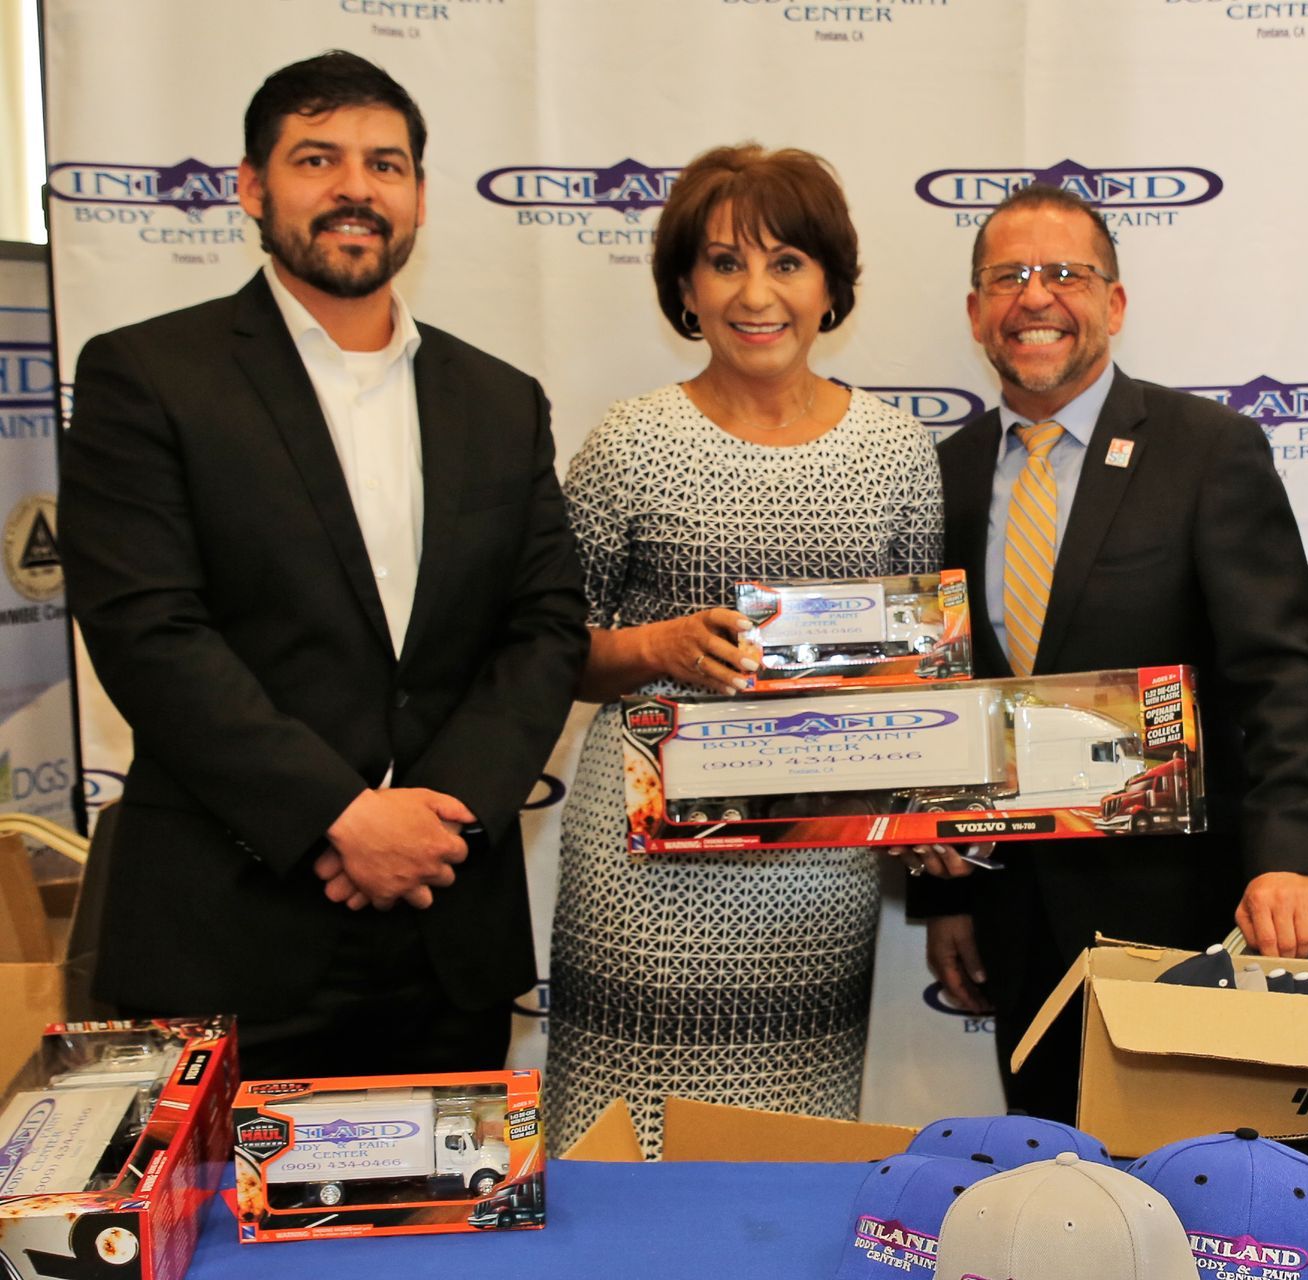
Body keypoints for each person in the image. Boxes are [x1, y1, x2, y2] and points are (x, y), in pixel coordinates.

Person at [60, 51, 587, 1078]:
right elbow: (149, 631)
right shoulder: (147, 375)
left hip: (446, 934)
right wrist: (341, 818)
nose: (356, 186)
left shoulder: (498, 397)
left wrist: (439, 819)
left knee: (444, 1239)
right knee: (217, 1241)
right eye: (318, 158)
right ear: (253, 186)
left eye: (385, 163)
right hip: (229, 930)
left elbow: (546, 625)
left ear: (421, 196)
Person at [545, 144, 942, 1155]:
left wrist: (938, 800)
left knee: (791, 1148)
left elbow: (924, 675)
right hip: (645, 858)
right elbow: (550, 651)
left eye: (787, 263)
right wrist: (658, 644)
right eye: (724, 263)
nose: (755, 294)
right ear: (685, 287)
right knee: (620, 1146)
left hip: (816, 866)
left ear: (830, 287)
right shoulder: (629, 441)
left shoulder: (896, 450)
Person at [912, 184, 1308, 1121]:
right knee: (1047, 1190)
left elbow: (1280, 674)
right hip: (1013, 920)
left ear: (1115, 302)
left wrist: (1289, 856)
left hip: (1185, 915)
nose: (1036, 297)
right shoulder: (940, 474)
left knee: (1196, 1193)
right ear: (976, 311)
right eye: (1008, 277)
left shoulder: (1207, 451)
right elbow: (932, 700)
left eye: (1066, 273)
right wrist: (939, 893)